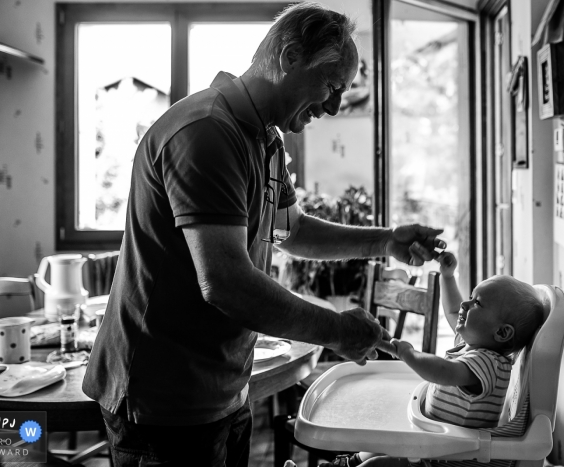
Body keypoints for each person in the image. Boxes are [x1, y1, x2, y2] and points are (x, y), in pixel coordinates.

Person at [82, 3, 445, 467]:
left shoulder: (264, 138)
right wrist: (336, 330)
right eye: (332, 86)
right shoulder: (208, 133)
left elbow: (291, 230)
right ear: (291, 57)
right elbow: (226, 282)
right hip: (164, 400)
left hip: (223, 387)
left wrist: (384, 240)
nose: (335, 106)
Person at [326, 251, 544, 467]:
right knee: (382, 440)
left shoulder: (489, 364)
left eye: (476, 303)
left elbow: (444, 372)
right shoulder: (473, 345)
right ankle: (346, 464)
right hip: (434, 444)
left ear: (502, 333)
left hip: (448, 459)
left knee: (380, 464)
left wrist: (406, 353)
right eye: (470, 297)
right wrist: (448, 276)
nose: (464, 305)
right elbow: (451, 309)